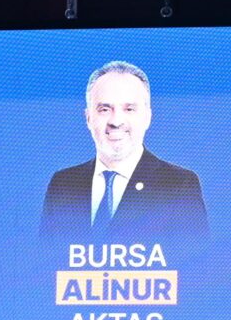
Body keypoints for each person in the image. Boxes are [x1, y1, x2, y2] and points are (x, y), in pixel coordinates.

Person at [39, 59, 209, 248]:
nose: (116, 121)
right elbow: (44, 259)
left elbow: (195, 262)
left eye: (129, 109)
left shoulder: (178, 186)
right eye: (104, 109)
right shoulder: (63, 184)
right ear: (88, 118)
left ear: (147, 117)